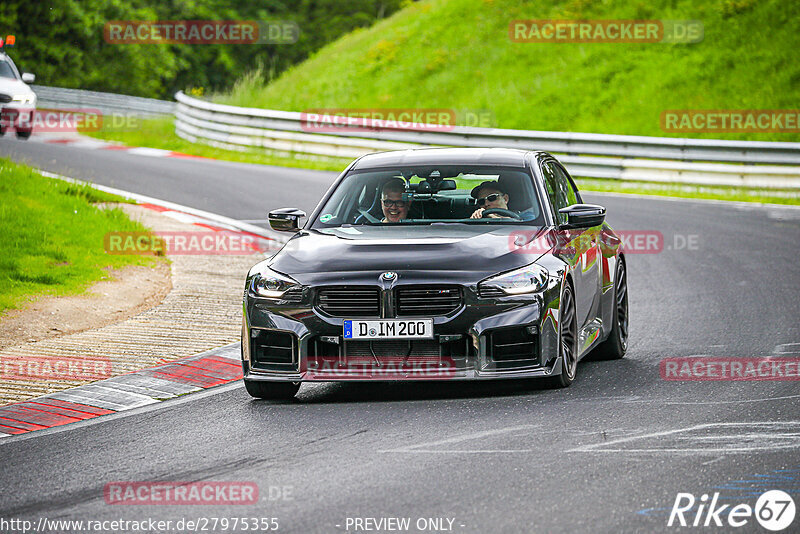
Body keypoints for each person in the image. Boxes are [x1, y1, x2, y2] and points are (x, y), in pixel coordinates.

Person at [469, 180, 536, 221]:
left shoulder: (527, 217)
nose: (486, 204)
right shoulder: (480, 219)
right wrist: (475, 219)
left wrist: (493, 217)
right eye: (481, 201)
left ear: (505, 199)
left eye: (492, 198)